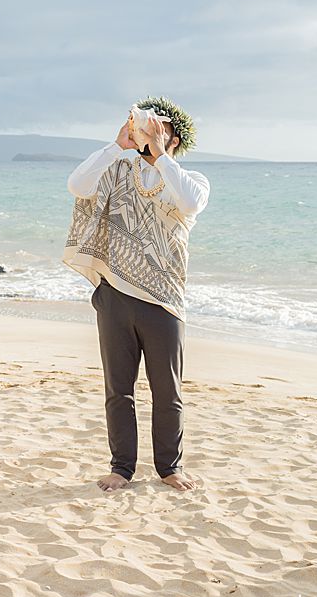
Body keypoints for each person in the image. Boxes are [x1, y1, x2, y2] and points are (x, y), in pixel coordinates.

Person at [63, 97, 211, 493]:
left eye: (157, 128)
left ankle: (170, 467)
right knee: (118, 389)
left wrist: (161, 153)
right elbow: (76, 185)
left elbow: (191, 203)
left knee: (168, 391)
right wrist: (117, 146)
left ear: (173, 136)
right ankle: (121, 468)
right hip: (115, 294)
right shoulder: (117, 170)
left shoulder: (190, 180)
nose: (147, 132)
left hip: (163, 300)